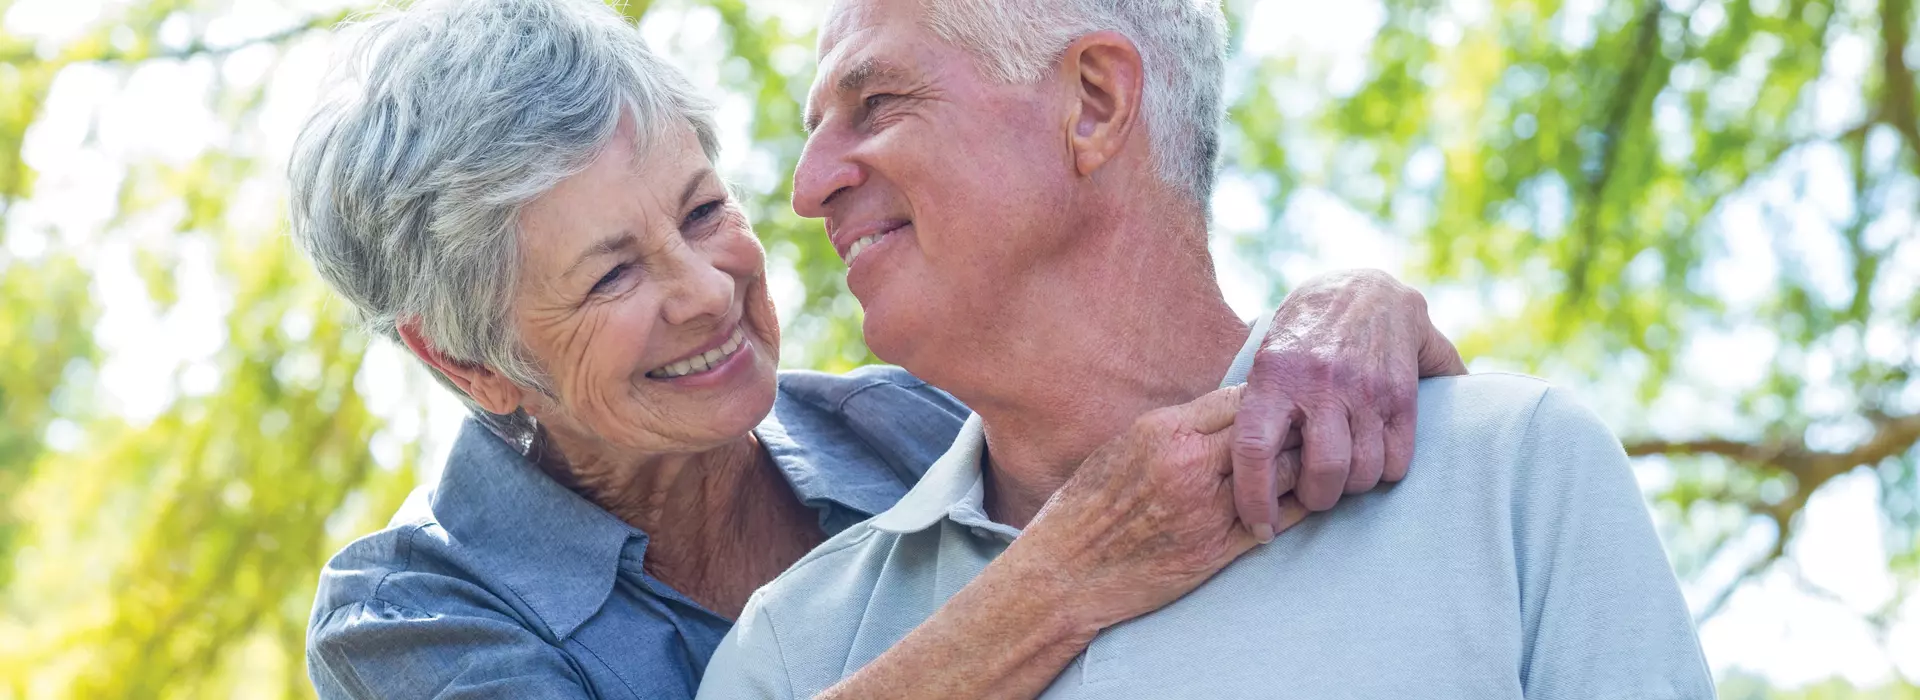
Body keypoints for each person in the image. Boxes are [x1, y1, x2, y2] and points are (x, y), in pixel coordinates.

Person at [287, 0, 1466, 698]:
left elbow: (1178, 377)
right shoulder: (415, 610)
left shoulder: (906, 424)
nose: (709, 293)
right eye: (612, 273)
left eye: (703, 213)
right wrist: (1060, 581)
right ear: (467, 362)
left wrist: (1349, 309)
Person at [695, 0, 1718, 697]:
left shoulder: (1510, 478)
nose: (807, 183)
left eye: (875, 105)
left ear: (1093, 102)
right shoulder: (796, 645)